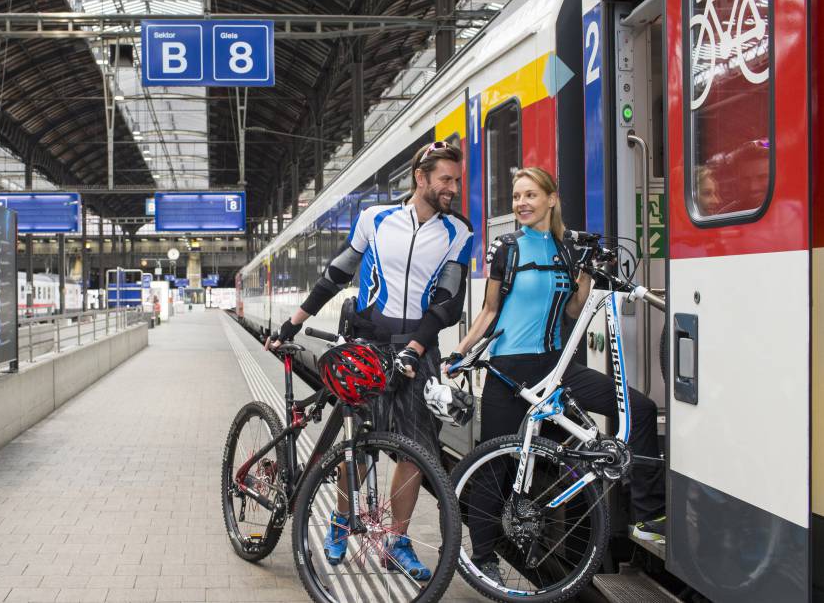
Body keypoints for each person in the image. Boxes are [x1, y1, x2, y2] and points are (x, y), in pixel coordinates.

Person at [447, 167, 666, 582]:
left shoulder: (566, 249)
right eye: (517, 196)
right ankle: (485, 557)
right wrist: (460, 352)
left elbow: (572, 310)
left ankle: (647, 516)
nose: (521, 203)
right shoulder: (507, 248)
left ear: (551, 199)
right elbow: (489, 311)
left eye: (530, 195)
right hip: (508, 371)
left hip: (556, 368)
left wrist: (586, 273)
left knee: (639, 409)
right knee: (494, 465)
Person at [266, 141, 473, 579]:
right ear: (421, 178)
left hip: (419, 349)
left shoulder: (459, 232)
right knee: (358, 445)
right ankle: (342, 520)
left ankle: (397, 541)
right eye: (446, 180)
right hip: (368, 348)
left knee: (417, 452)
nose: (453, 188)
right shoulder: (375, 219)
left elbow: (448, 303)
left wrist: (415, 348)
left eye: (456, 180)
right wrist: (293, 323)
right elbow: (335, 275)